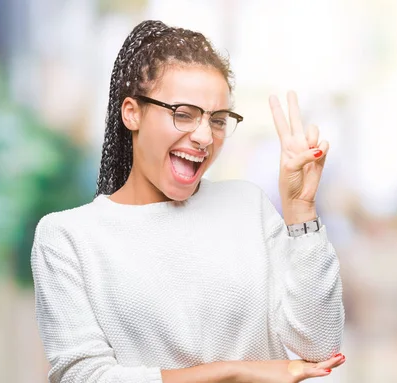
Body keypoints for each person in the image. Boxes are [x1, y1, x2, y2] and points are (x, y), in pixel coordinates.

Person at [31, 20, 345, 383]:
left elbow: (320, 347)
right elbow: (84, 377)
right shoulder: (68, 238)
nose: (203, 136)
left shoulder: (247, 207)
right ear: (132, 112)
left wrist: (300, 210)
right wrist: (233, 372)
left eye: (218, 120)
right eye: (183, 113)